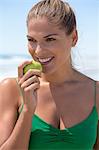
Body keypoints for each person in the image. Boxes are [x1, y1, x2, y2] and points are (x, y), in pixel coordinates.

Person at [0, 0, 99, 149]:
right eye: (32, 40)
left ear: (73, 38)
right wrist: (27, 110)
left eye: (50, 39)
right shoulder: (12, 89)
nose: (38, 51)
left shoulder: (96, 92)